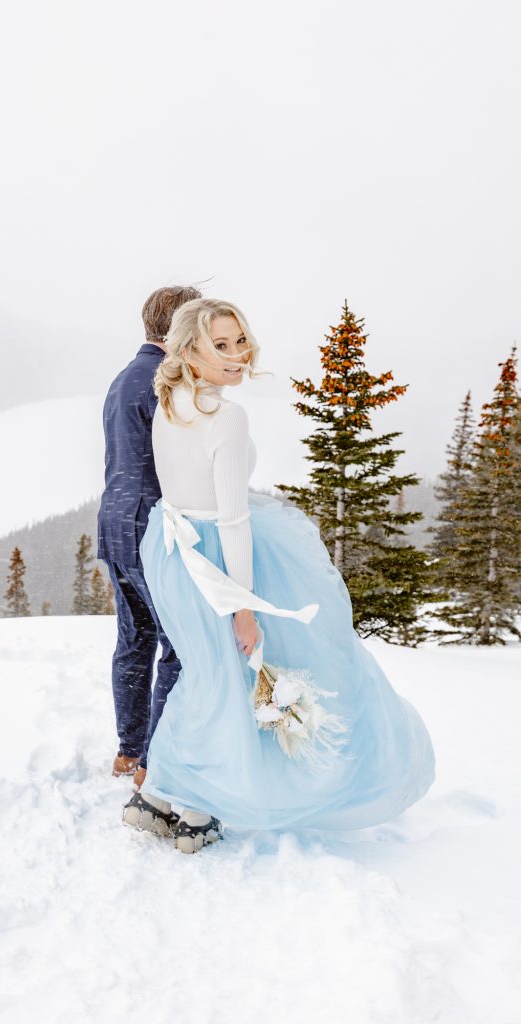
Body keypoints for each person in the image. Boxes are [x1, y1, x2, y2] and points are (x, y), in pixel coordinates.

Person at [122, 297, 435, 854]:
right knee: (228, 676)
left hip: (169, 551)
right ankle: (196, 809)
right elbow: (233, 520)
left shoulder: (170, 399)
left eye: (240, 340)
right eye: (221, 345)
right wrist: (246, 607)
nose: (238, 354)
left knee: (204, 674)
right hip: (214, 556)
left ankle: (159, 798)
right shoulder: (226, 416)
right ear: (190, 349)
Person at [97, 285, 201, 789]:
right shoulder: (162, 381)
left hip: (114, 521)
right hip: (149, 525)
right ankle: (153, 761)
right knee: (178, 643)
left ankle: (128, 749)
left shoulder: (124, 377)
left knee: (133, 639)